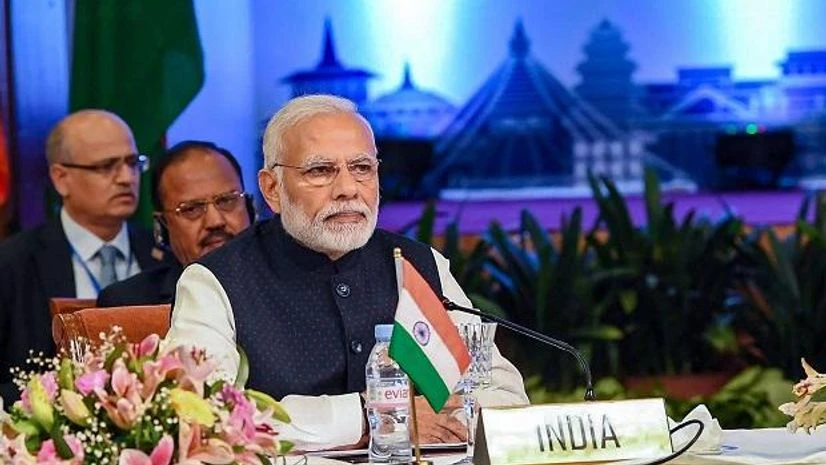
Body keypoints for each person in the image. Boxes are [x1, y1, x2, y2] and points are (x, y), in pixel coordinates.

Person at [166, 95, 529, 450]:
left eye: (361, 168)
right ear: (272, 189)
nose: (347, 189)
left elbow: (503, 393)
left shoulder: (419, 265)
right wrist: (375, 415)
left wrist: (456, 417)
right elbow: (203, 413)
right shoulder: (215, 281)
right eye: (320, 171)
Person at [0, 109, 160, 401]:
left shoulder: (163, 254)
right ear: (61, 178)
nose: (126, 178)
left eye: (132, 163)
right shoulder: (13, 264)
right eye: (106, 166)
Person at [97, 141, 254, 307]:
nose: (215, 221)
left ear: (250, 208)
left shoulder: (283, 278)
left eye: (227, 200)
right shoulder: (128, 304)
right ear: (162, 227)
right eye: (192, 209)